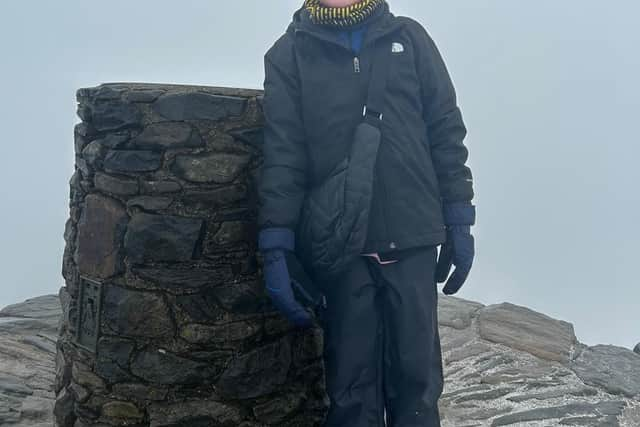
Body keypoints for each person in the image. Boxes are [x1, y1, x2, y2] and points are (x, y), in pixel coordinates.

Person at [257, 0, 476, 426]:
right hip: (342, 247)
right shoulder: (288, 55)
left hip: (411, 236)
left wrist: (459, 216)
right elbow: (284, 157)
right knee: (351, 394)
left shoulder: (410, 40)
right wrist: (276, 245)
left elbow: (445, 129)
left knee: (417, 388)